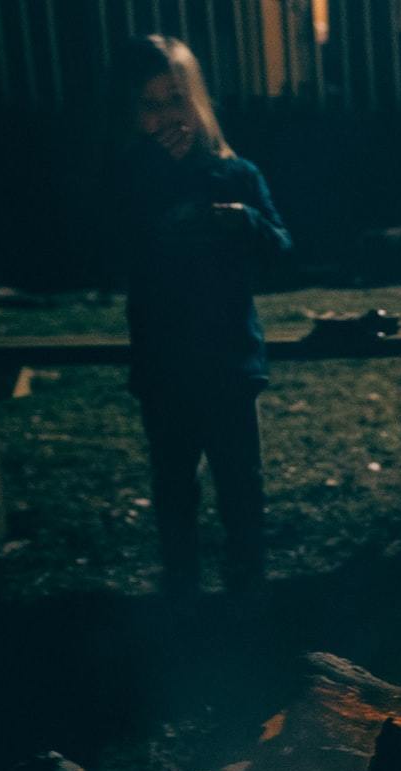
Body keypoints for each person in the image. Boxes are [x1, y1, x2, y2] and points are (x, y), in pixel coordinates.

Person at [115, 35, 290, 600]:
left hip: (228, 357)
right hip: (163, 360)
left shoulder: (234, 173)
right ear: (134, 113)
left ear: (199, 102)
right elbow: (109, 249)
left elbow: (282, 250)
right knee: (173, 481)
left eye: (177, 99)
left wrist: (247, 224)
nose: (168, 116)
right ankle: (181, 583)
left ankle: (247, 580)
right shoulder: (131, 179)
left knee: (240, 480)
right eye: (151, 104)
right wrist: (157, 181)